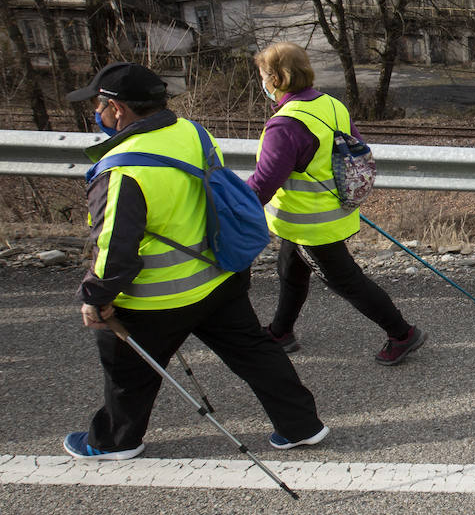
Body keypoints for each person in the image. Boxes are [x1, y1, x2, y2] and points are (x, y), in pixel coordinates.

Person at [63, 62, 328, 460]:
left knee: (128, 372)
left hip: (156, 299)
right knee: (255, 352)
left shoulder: (122, 169)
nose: (96, 113)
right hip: (218, 276)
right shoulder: (191, 132)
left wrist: (95, 297)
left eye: (98, 105)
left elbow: (114, 250)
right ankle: (302, 426)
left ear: (117, 109)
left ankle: (115, 441)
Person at [249, 42, 426, 365]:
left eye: (262, 75)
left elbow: (263, 183)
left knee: (347, 282)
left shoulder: (285, 125)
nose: (262, 82)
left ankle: (402, 333)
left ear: (276, 78)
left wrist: (230, 208)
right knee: (290, 270)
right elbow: (349, 151)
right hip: (330, 211)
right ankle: (281, 331)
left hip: (312, 224)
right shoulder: (331, 104)